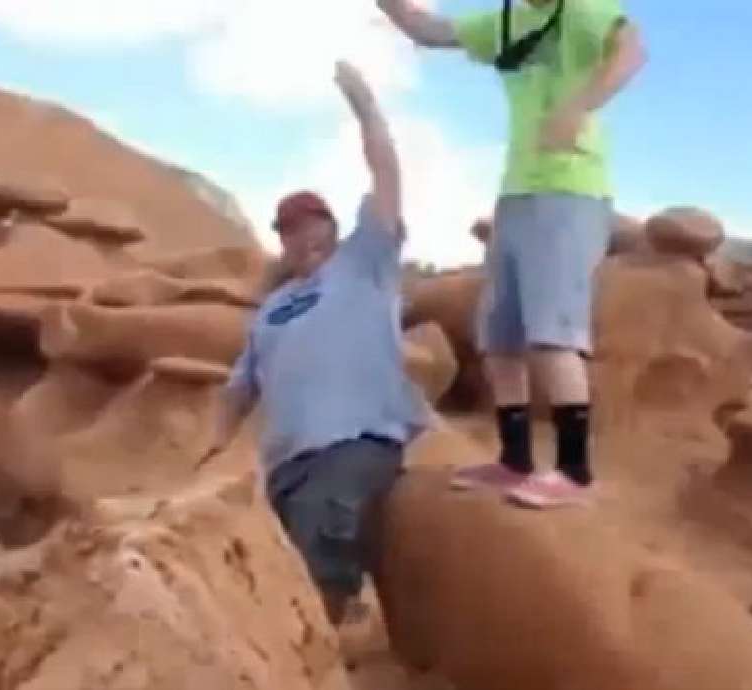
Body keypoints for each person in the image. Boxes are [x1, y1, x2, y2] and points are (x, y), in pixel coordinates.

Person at [377, 0, 646, 509]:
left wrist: (578, 105)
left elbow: (631, 50)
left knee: (552, 334)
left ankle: (573, 472)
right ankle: (514, 460)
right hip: (517, 194)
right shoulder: (506, 21)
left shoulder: (581, 10)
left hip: (571, 189)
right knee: (500, 336)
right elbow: (428, 31)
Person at [201, 60, 427, 625]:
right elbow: (239, 388)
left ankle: (321, 648)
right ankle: (342, 629)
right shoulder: (272, 308)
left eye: (312, 223)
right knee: (282, 569)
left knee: (315, 561)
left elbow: (387, 178)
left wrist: (366, 109)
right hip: (286, 465)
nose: (304, 236)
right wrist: (209, 445)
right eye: (290, 230)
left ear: (331, 224)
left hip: (355, 443)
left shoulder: (364, 261)